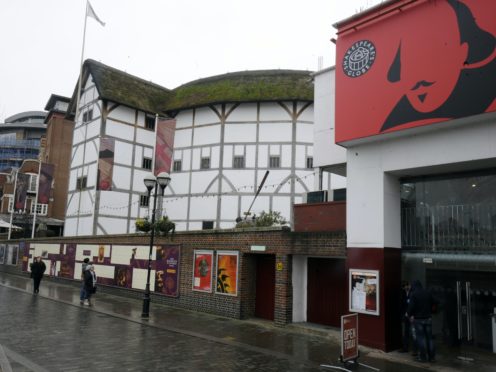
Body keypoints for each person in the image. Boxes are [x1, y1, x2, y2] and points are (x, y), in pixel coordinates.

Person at [381, 0, 495, 132]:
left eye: (432, 56)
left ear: (463, 53)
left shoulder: (485, 93)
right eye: (408, 65)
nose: (419, 79)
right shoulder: (395, 123)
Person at [407, 280, 436, 363]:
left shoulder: (414, 294)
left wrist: (408, 314)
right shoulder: (428, 292)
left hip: (418, 319)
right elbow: (435, 302)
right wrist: (431, 311)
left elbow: (411, 307)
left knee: (421, 339)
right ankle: (432, 357)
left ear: (414, 286)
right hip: (428, 318)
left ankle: (423, 357)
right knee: (430, 338)